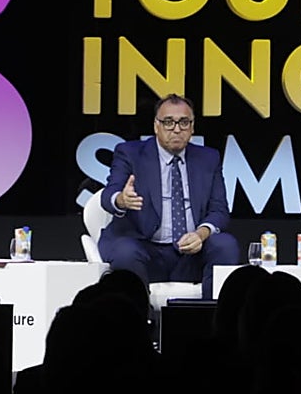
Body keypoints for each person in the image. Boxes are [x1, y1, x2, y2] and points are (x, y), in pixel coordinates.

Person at [99, 94, 241, 301]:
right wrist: (121, 199)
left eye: (184, 122)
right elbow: (108, 195)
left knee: (225, 245)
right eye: (168, 122)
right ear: (156, 126)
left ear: (192, 127)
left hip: (191, 254)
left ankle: (214, 320)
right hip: (145, 248)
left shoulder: (208, 158)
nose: (176, 129)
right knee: (125, 251)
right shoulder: (130, 153)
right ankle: (138, 323)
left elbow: (219, 211)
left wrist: (201, 234)